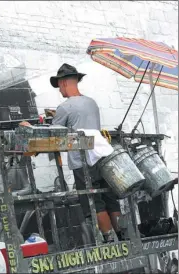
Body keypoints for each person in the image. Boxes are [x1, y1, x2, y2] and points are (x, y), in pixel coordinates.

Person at [49, 63, 122, 242]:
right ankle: (123, 235)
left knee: (94, 200)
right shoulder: (92, 103)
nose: (60, 91)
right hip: (102, 157)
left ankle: (109, 240)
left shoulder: (65, 107)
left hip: (83, 161)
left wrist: (55, 117)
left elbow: (54, 134)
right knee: (109, 198)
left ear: (64, 83)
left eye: (59, 86)